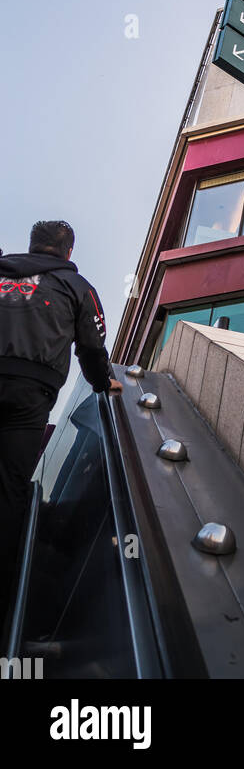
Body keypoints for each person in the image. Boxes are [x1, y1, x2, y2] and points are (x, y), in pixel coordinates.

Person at [0, 220, 122, 632]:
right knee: (11, 488)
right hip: (29, 393)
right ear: (68, 253)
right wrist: (105, 383)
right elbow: (92, 346)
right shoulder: (78, 287)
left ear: (32, 245)